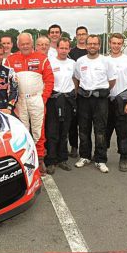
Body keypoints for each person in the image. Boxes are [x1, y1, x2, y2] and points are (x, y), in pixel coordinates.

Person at [6, 32, 54, 172]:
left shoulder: (42, 58)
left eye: (27, 43)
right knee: (22, 130)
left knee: (39, 130)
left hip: (36, 99)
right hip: (19, 100)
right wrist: (12, 102)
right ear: (18, 45)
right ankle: (25, 158)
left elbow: (49, 80)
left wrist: (43, 98)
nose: (25, 46)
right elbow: (8, 82)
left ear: (32, 44)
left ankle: (40, 158)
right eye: (22, 44)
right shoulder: (10, 59)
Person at [73, 35, 116, 173]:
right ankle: (85, 156)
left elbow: (112, 81)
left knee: (100, 130)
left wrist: (101, 91)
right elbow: (76, 79)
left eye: (95, 44)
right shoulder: (80, 61)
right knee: (84, 129)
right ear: (86, 45)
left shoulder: (106, 61)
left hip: (100, 100)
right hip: (84, 99)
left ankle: (100, 159)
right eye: (90, 43)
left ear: (99, 45)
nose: (92, 46)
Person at [105, 33, 127, 172]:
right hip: (106, 99)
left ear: (122, 44)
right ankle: (101, 155)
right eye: (114, 43)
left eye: (119, 43)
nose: (116, 46)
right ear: (109, 44)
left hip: (123, 99)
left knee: (123, 131)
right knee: (104, 130)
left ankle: (124, 156)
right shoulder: (104, 60)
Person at [44, 37, 76, 174]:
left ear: (69, 49)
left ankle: (62, 159)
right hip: (54, 99)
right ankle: (50, 160)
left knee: (64, 131)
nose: (63, 50)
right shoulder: (50, 62)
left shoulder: (73, 63)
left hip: (68, 99)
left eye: (66, 48)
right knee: (52, 131)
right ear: (56, 48)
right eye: (61, 47)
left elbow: (76, 79)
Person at [67, 26, 89, 158]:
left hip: (87, 93)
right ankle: (74, 146)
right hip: (74, 92)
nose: (81, 36)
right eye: (79, 34)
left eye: (83, 34)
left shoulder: (92, 50)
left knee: (85, 124)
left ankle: (85, 149)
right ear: (76, 36)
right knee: (73, 123)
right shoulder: (71, 53)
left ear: (87, 35)